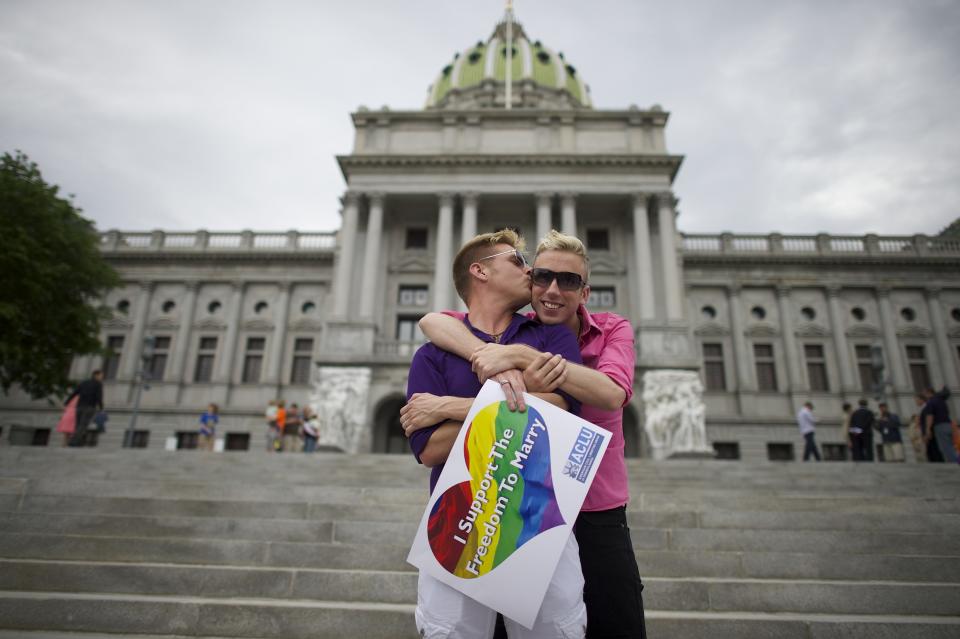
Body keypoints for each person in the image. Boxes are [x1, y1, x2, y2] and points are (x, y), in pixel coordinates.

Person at [409, 230, 646, 638]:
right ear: (480, 271)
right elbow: (430, 448)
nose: (546, 284)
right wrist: (508, 381)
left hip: (559, 513)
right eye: (529, 267)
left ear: (585, 292)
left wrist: (453, 406)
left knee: (572, 626)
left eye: (568, 280)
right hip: (462, 516)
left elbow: (568, 409)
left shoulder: (553, 337)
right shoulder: (435, 348)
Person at [66, 370, 104, 447]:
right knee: (83, 425)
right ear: (96, 375)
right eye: (101, 376)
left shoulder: (84, 382)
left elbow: (75, 392)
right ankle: (73, 442)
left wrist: (66, 402)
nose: (102, 377)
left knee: (78, 424)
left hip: (79, 406)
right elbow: (99, 396)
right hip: (89, 407)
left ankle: (77, 442)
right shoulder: (98, 384)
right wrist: (101, 407)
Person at [922, 386, 957, 464]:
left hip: (940, 426)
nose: (923, 395)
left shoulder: (931, 402)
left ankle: (954, 463)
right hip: (948, 424)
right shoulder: (941, 401)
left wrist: (928, 429)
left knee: (945, 447)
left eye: (924, 393)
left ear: (928, 393)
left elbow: (930, 416)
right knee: (950, 445)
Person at [915, 393, 943, 462]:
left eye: (917, 400)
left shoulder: (926, 407)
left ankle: (938, 463)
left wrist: (926, 432)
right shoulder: (922, 409)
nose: (916, 402)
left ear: (922, 400)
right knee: (930, 450)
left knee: (933, 449)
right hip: (927, 431)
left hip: (929, 432)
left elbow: (927, 421)